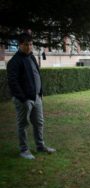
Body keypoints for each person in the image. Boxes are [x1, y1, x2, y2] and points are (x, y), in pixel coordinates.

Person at [6, 32, 56, 160]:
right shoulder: (14, 61)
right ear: (20, 45)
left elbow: (36, 76)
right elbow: (13, 82)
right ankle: (24, 150)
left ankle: (40, 146)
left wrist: (40, 93)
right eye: (26, 45)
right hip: (24, 100)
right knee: (23, 125)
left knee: (39, 123)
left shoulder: (32, 57)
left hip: (36, 98)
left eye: (31, 44)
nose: (29, 47)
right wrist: (23, 98)